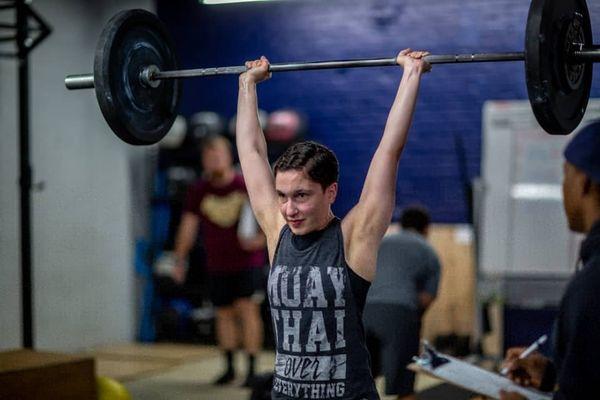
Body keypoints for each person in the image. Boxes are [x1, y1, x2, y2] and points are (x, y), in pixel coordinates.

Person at [236, 49, 431, 399]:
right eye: (282, 195)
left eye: (301, 196)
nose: (289, 208)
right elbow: (251, 151)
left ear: (331, 192)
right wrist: (247, 84)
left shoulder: (353, 238)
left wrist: (411, 74)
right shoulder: (276, 232)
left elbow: (389, 150)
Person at [499, 121, 600, 399]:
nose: (562, 187)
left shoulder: (591, 286)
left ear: (584, 183)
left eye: (565, 175)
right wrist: (552, 375)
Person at [172, 134, 266, 385]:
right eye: (208, 156)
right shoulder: (198, 191)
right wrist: (179, 259)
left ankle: (252, 370)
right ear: (203, 160)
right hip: (216, 264)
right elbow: (188, 226)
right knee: (223, 314)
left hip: (248, 263)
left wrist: (259, 242)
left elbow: (270, 220)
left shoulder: (244, 185)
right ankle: (229, 368)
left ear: (228, 157)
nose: (213, 160)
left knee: (247, 310)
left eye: (218, 155)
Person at [363, 206, 441, 400]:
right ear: (425, 229)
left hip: (364, 312)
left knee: (363, 377)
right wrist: (413, 322)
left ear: (401, 225)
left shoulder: (381, 242)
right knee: (404, 383)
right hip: (400, 313)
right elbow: (426, 298)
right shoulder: (428, 251)